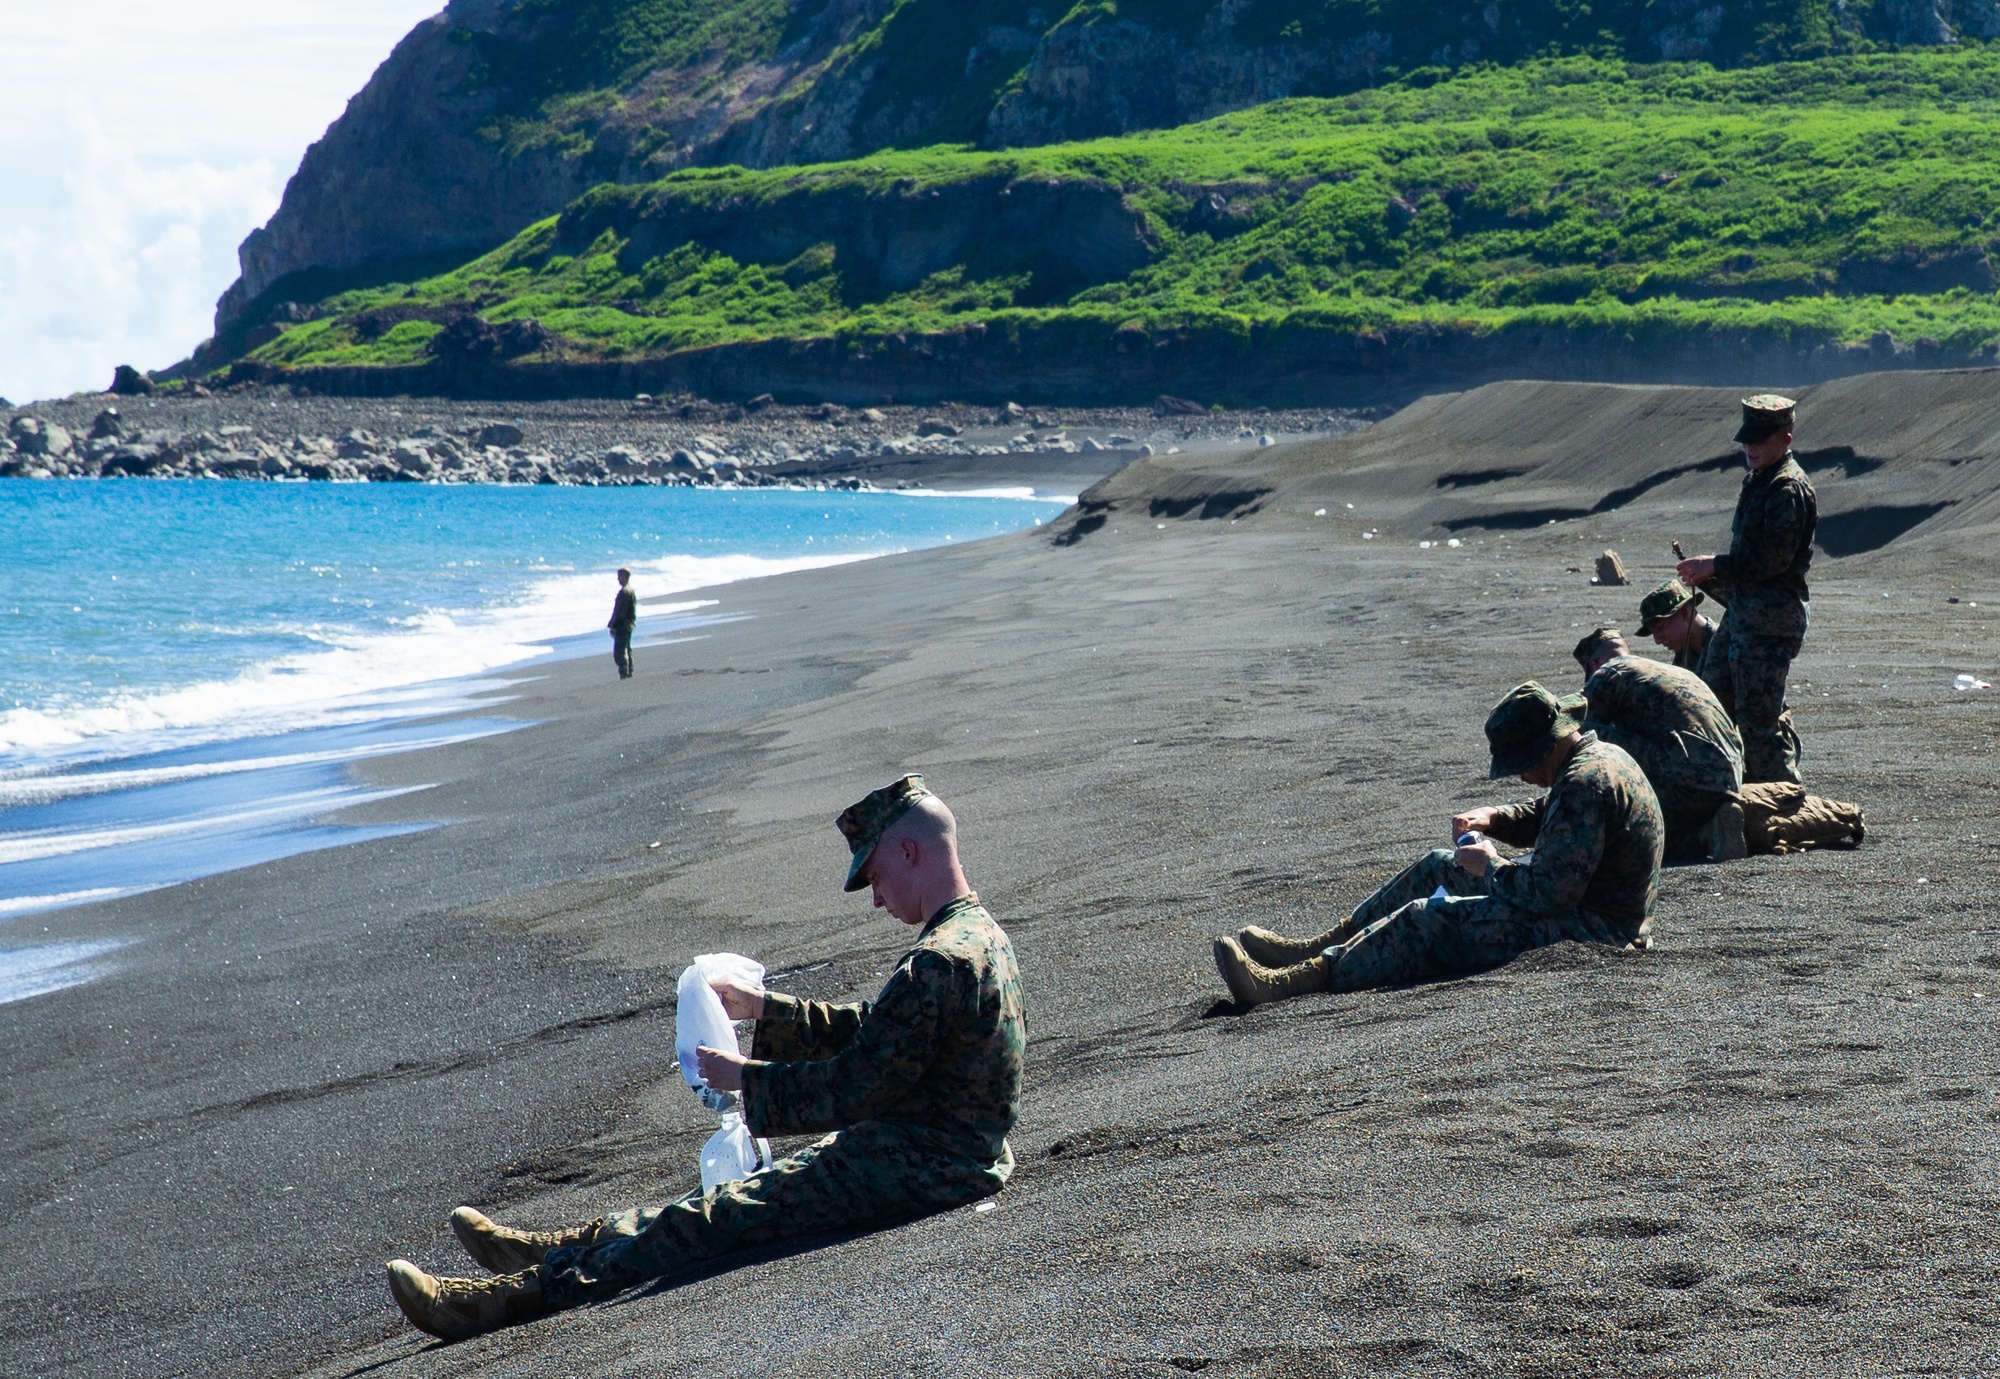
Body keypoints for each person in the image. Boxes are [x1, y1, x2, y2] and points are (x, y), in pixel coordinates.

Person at [385, 774, 1026, 1341]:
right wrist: (765, 1008)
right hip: (932, 1151)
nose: (876, 897)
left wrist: (746, 1080)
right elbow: (884, 1034)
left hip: (925, 1166)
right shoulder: (977, 935)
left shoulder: (936, 960)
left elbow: (859, 1083)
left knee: (714, 1219)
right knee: (727, 1195)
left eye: (876, 876)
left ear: (909, 851)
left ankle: (494, 1302)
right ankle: (545, 1250)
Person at [1212, 682, 1663, 1007]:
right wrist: (1495, 818)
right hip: (1584, 910)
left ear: (1545, 748)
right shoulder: (1598, 759)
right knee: (1438, 866)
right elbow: (1554, 818)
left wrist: (1490, 864)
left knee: (1428, 920)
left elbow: (1548, 893)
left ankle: (1292, 982)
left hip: (1596, 933)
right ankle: (1317, 947)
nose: (1521, 776)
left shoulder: (1586, 782)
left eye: (1520, 766)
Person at [1675, 395, 1816, 784]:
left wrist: (1715, 565)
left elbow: (1772, 562)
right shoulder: (1761, 480)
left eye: (1759, 440)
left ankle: (1785, 801)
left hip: (1770, 624)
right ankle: (1727, 794)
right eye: (1746, 440)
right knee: (1712, 704)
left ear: (1785, 440)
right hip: (1743, 616)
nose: (1749, 448)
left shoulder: (1787, 489)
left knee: (1757, 722)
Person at [1571, 627, 1744, 861]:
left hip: (1685, 781)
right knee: (1659, 837)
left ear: (1594, 664)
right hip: (1728, 783)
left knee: (1582, 733)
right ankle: (1710, 832)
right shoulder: (1675, 672)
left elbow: (1576, 727)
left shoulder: (1609, 671)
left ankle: (1586, 824)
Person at [1637, 578, 1720, 683]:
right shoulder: (1683, 658)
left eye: (1660, 628)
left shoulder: (1728, 644)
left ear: (1684, 614)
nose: (1657, 640)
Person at [608, 568, 637, 679]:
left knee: (619, 652)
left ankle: (624, 672)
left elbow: (621, 611)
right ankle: (629, 671)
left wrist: (614, 625)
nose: (618, 579)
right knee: (627, 648)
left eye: (619, 576)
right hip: (628, 624)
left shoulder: (625, 592)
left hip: (623, 625)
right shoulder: (629, 590)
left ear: (624, 577)